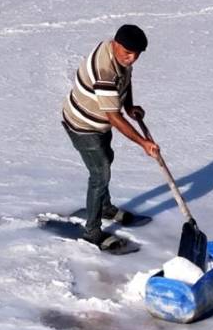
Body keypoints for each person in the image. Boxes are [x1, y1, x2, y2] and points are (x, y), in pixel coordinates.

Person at [61, 24, 159, 249]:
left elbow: (125, 80)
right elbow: (114, 117)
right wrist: (143, 142)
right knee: (100, 173)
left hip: (98, 123)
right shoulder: (105, 70)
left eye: (136, 55)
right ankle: (92, 231)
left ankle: (105, 207)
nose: (132, 58)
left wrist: (129, 105)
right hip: (82, 125)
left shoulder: (119, 57)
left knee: (107, 158)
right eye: (127, 53)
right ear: (116, 44)